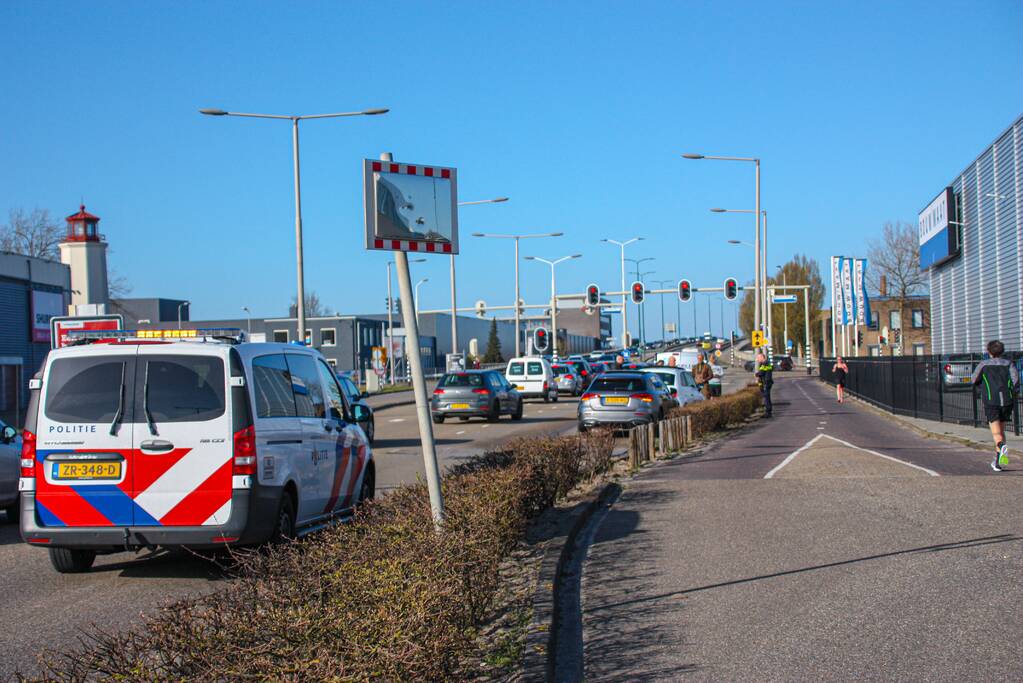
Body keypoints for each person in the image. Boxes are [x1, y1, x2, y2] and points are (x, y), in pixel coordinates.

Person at [971, 340, 1019, 472]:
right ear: (1002, 351)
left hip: (991, 401)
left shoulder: (984, 364)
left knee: (996, 433)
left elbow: (974, 379)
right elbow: (1015, 382)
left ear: (989, 351)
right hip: (1007, 402)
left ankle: (1001, 447)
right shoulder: (1009, 364)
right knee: (1001, 432)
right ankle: (998, 462)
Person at [755, 352, 774, 417]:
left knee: (766, 397)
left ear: (762, 357)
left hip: (766, 382)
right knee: (766, 397)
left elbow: (761, 373)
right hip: (766, 382)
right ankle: (768, 411)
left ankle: (768, 412)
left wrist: (757, 374)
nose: (757, 359)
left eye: (758, 358)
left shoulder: (765, 364)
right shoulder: (764, 363)